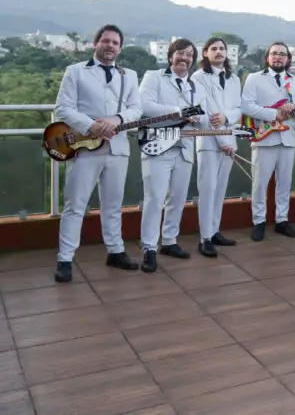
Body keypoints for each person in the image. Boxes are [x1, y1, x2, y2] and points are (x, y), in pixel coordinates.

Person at [53, 24, 143, 283]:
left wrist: (116, 119)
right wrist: (91, 125)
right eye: (106, 41)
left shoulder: (130, 75)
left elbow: (136, 109)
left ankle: (115, 251)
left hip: (117, 148)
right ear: (96, 44)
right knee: (75, 205)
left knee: (113, 205)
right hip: (84, 147)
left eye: (115, 42)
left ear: (120, 47)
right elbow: (63, 108)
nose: (110, 45)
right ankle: (65, 258)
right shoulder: (75, 72)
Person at [137, 38, 205, 272]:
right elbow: (144, 106)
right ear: (170, 56)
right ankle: (148, 248)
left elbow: (200, 115)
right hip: (157, 146)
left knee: (177, 198)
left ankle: (169, 241)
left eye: (189, 55)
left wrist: (206, 118)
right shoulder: (153, 76)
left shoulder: (196, 86)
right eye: (180, 53)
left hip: (185, 147)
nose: (184, 58)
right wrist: (180, 113)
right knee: (154, 198)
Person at [241, 42, 295, 240]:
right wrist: (273, 114)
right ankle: (259, 221)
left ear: (288, 59)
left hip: (287, 138)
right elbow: (246, 106)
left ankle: (281, 220)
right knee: (260, 183)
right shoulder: (254, 79)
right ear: (267, 57)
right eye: (274, 54)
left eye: (282, 54)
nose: (278, 57)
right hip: (264, 136)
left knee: (285, 183)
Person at [191, 36, 242, 257]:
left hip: (228, 139)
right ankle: (204, 238)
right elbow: (209, 111)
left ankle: (215, 231)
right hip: (209, 141)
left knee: (220, 190)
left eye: (222, 48)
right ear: (205, 53)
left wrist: (228, 125)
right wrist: (224, 142)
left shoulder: (234, 78)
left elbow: (238, 109)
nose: (219, 52)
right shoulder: (198, 77)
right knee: (208, 190)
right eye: (214, 49)